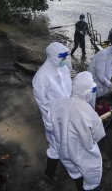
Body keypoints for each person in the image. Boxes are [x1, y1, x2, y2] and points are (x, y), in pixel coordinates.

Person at [50, 71, 105, 191]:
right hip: (82, 154)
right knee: (92, 177)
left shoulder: (58, 103)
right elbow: (98, 136)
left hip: (63, 151)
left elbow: (51, 124)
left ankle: (79, 186)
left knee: (75, 172)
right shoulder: (90, 114)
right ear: (87, 92)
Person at [32, 42, 72, 185]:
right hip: (53, 118)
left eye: (65, 56)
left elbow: (68, 90)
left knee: (66, 142)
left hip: (67, 114)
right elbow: (42, 103)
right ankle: (48, 175)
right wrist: (50, 123)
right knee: (55, 146)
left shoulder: (63, 68)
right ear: (52, 57)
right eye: (61, 57)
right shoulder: (41, 76)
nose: (64, 60)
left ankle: (63, 161)